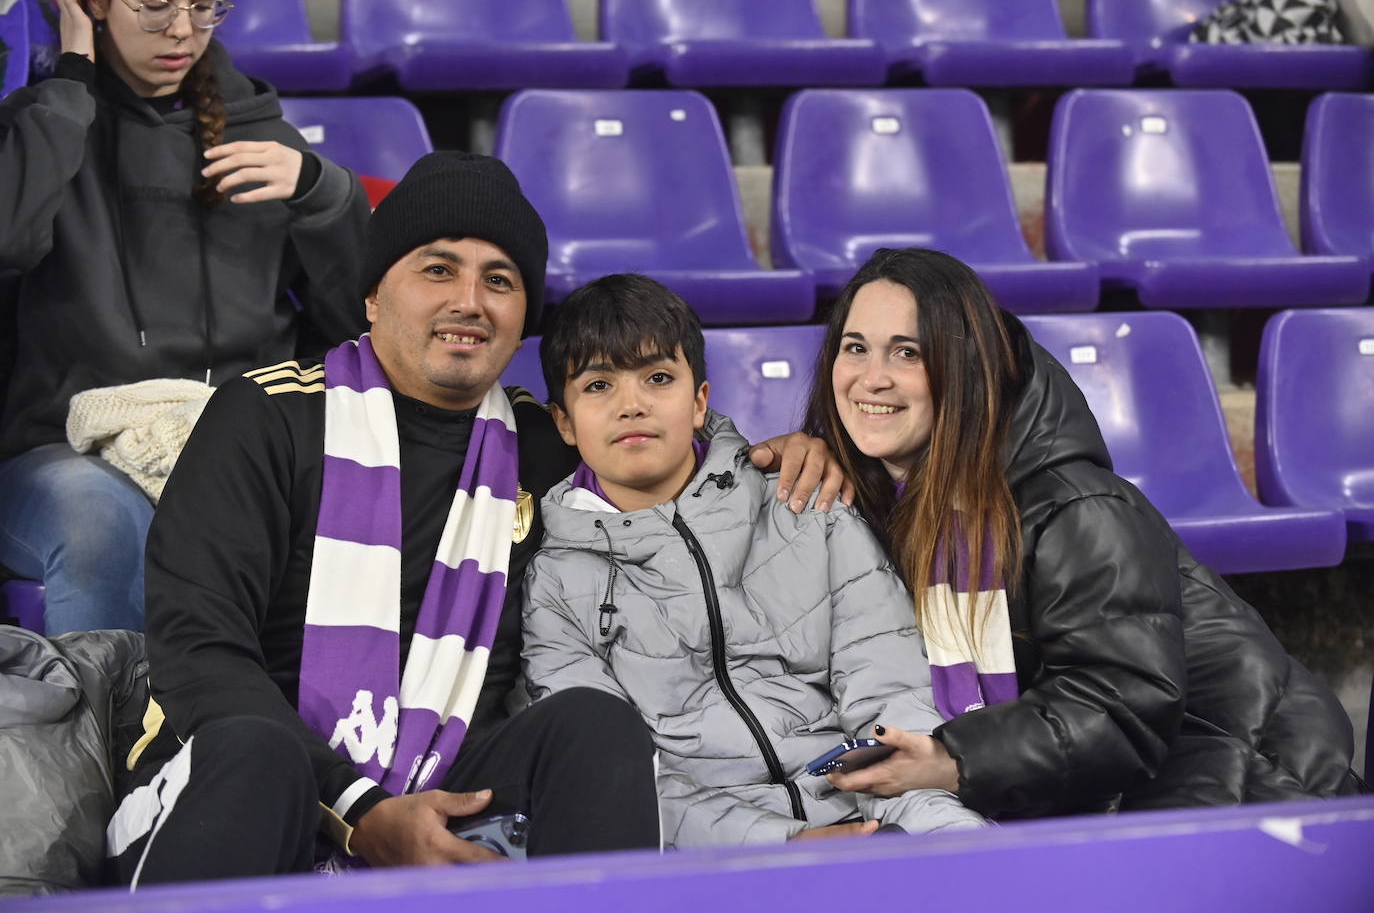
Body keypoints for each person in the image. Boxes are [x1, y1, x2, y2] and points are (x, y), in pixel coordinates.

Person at [104, 152, 849, 886]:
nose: (470, 300)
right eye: (438, 270)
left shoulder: (546, 443)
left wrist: (779, 455)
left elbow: (665, 447)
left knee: (595, 727)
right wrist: (360, 809)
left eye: (500, 279)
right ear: (371, 296)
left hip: (451, 792)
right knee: (256, 753)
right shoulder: (267, 416)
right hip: (243, 790)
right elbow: (200, 650)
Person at [805, 247, 1365, 820]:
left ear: (968, 366)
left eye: (908, 353)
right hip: (1111, 790)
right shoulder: (881, 500)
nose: (872, 378)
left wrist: (953, 760)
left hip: (1243, 782)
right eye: (856, 348)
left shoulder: (1080, 508)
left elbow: (1120, 706)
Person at [521, 273, 986, 847]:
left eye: (658, 378)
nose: (632, 405)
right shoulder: (556, 581)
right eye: (598, 386)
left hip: (869, 801)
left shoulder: (805, 503)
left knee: (969, 854)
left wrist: (892, 794)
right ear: (563, 421)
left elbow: (890, 679)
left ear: (699, 402)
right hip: (707, 847)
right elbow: (616, 778)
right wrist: (778, 844)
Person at [0, 0, 370, 634]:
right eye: (152, 7)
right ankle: (109, 733)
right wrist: (70, 78)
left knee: (354, 512)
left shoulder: (264, 140)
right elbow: (8, 237)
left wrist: (324, 193)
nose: (180, 31)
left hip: (232, 438)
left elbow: (360, 328)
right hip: (61, 448)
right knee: (101, 523)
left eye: (205, 8)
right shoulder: (41, 128)